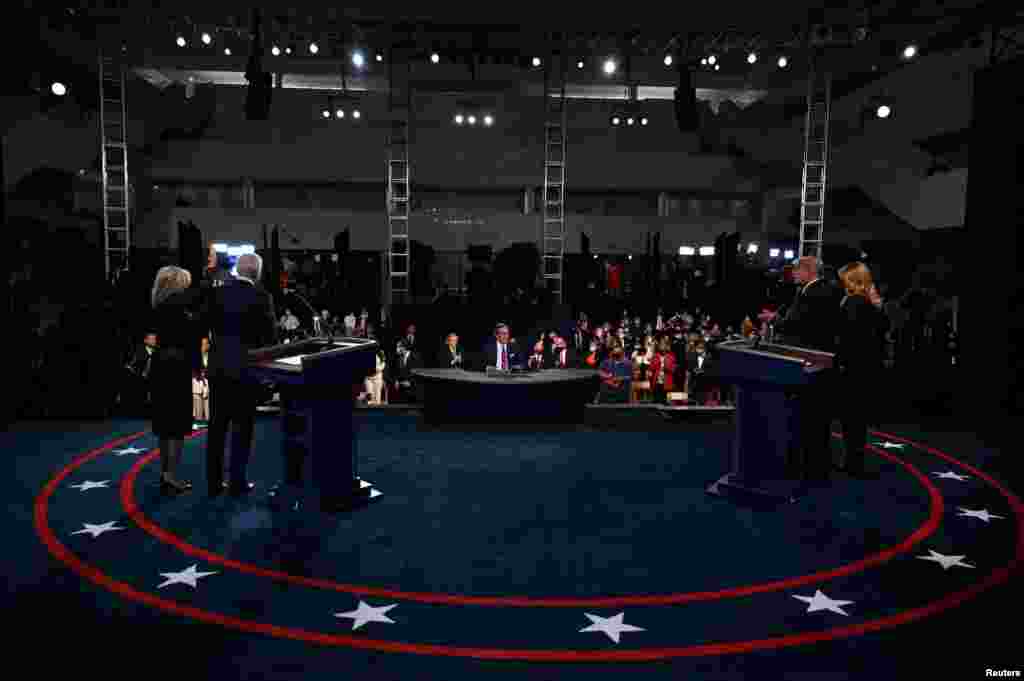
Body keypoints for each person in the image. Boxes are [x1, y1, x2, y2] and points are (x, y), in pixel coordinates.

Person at [205, 254, 278, 497]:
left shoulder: (218, 292)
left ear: (237, 270)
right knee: (242, 427)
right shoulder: (261, 296)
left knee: (216, 426)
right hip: (245, 369)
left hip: (217, 366)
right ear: (256, 273)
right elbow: (270, 338)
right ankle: (237, 481)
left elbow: (207, 324)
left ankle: (213, 483)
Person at [784, 256, 843, 481]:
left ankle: (812, 468)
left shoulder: (814, 293)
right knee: (816, 419)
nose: (793, 274)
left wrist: (777, 321)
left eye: (796, 270)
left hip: (813, 361)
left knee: (812, 418)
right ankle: (816, 465)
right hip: (819, 361)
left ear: (808, 270)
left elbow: (800, 325)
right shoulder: (822, 290)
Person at [149, 266, 203, 494]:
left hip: (160, 365)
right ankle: (171, 477)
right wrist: (198, 367)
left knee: (163, 424)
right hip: (177, 367)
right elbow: (191, 341)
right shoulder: (182, 308)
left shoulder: (155, 306)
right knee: (178, 425)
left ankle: (165, 473)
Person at [835, 262, 888, 479]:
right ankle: (851, 462)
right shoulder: (859, 302)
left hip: (856, 370)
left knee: (854, 420)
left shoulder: (856, 303)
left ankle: (854, 465)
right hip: (859, 368)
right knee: (853, 420)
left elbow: (854, 339)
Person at [598, 339, 631, 403]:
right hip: (608, 388)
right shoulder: (606, 362)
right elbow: (600, 372)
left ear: (622, 351)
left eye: (617, 348)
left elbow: (630, 376)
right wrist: (607, 376)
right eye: (614, 349)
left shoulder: (627, 363)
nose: (615, 350)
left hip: (621, 389)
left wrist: (619, 379)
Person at [648, 336, 678, 404]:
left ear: (667, 346)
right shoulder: (655, 356)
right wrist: (650, 374)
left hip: (667, 384)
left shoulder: (671, 357)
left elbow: (673, 370)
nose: (662, 346)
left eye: (663, 344)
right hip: (657, 383)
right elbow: (651, 369)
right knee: (656, 402)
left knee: (666, 403)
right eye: (660, 344)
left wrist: (666, 367)